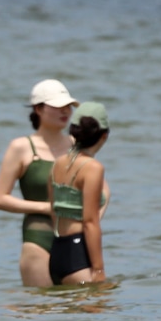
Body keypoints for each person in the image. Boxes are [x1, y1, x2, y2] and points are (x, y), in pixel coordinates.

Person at [0, 79, 77, 288]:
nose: (65, 111)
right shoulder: (21, 147)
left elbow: (99, 190)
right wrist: (47, 208)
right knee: (40, 312)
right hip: (38, 238)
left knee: (84, 309)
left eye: (68, 106)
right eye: (58, 106)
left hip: (75, 238)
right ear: (38, 109)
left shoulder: (76, 145)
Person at [47, 102, 112, 286]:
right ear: (104, 136)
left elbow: (54, 211)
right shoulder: (93, 168)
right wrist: (99, 269)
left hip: (57, 251)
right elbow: (90, 222)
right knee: (97, 311)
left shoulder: (57, 163)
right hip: (78, 255)